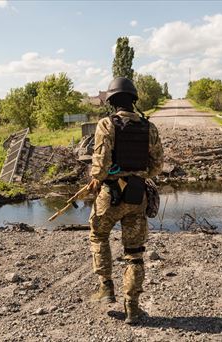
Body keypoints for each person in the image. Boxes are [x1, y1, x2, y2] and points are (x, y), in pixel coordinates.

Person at [86, 77, 163, 324]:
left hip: (109, 196)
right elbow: (157, 166)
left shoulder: (106, 125)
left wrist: (98, 178)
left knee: (99, 236)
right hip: (137, 195)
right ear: (133, 99)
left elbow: (99, 167)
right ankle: (133, 307)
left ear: (111, 101)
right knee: (135, 254)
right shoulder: (149, 127)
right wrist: (137, 176)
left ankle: (106, 288)